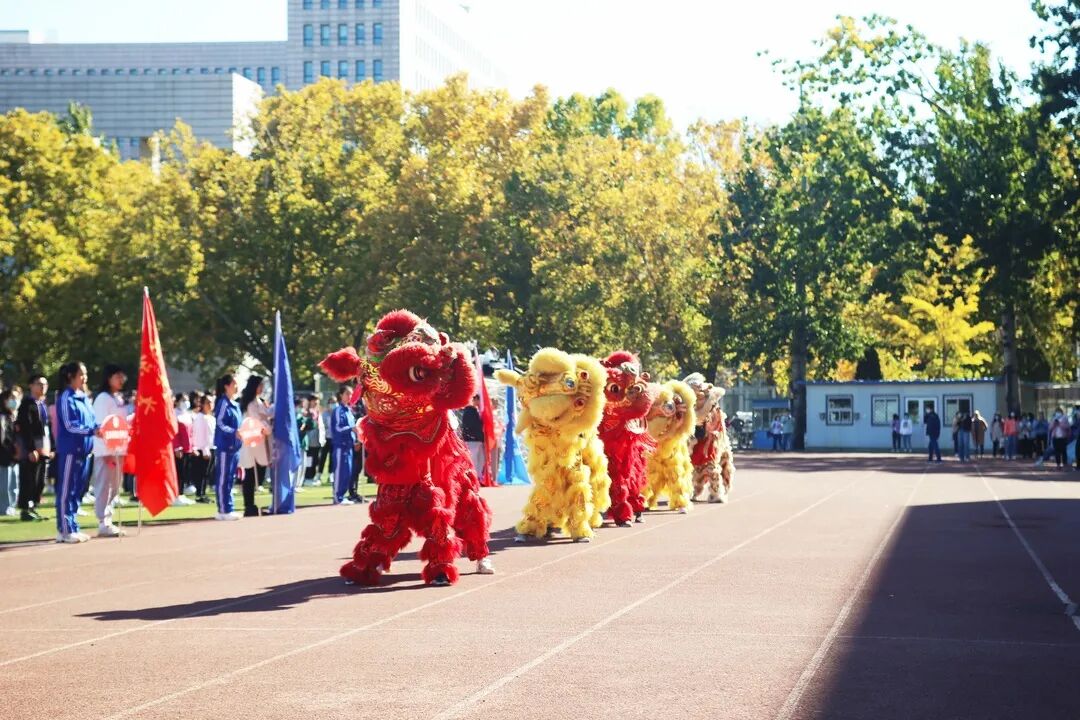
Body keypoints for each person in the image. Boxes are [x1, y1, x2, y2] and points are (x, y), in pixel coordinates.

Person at [54, 362, 103, 543]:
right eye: (81, 374)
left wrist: (99, 428)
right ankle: (64, 529)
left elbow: (92, 420)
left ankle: (73, 526)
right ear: (70, 376)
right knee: (66, 491)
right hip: (70, 451)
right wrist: (91, 431)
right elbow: (69, 426)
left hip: (85, 451)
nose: (84, 378)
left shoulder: (83, 397)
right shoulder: (66, 398)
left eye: (85, 374)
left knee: (78, 491)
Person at [90, 365, 129, 537]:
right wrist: (106, 451)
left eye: (122, 376)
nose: (121, 380)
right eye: (117, 376)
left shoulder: (118, 398)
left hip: (120, 449)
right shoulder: (102, 399)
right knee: (104, 486)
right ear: (108, 378)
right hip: (107, 451)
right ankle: (103, 522)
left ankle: (108, 520)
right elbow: (100, 427)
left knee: (115, 486)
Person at [15, 375, 52, 522]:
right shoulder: (27, 404)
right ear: (31, 385)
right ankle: (25, 509)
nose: (42, 387)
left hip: (44, 446)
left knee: (40, 480)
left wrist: (52, 448)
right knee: (29, 478)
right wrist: (31, 449)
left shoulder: (42, 404)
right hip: (32, 448)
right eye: (39, 384)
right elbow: (25, 428)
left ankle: (33, 506)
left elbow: (47, 428)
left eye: (45, 384)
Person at [238, 376, 272, 517]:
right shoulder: (251, 404)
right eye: (260, 385)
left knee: (259, 472)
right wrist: (266, 427)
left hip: (261, 442)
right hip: (252, 442)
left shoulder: (260, 402)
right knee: (251, 474)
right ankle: (249, 505)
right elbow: (257, 421)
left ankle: (252, 504)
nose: (262, 388)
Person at [213, 374, 243, 520]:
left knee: (231, 478)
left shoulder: (235, 404)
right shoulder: (223, 403)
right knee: (223, 478)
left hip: (235, 447)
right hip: (225, 446)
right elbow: (220, 423)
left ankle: (228, 508)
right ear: (227, 386)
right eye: (234, 384)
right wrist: (233, 432)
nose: (237, 386)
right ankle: (223, 510)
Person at [329, 385, 356, 505]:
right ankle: (337, 497)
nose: (350, 396)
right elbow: (337, 428)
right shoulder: (338, 410)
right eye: (347, 394)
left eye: (351, 394)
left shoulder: (349, 411)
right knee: (340, 472)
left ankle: (342, 495)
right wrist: (351, 428)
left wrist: (356, 440)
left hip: (349, 446)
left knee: (347, 472)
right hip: (340, 445)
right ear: (341, 395)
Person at [189, 393, 216, 503]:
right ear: (202, 405)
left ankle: (203, 493)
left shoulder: (211, 418)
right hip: (203, 449)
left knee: (207, 473)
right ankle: (199, 494)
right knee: (201, 473)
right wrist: (205, 450)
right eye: (208, 403)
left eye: (211, 402)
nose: (210, 405)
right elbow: (200, 435)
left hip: (211, 447)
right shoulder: (200, 418)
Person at [171, 393, 196, 505]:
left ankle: (181, 494)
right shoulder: (174, 414)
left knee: (185, 473)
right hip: (179, 449)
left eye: (186, 400)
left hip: (187, 448)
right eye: (183, 400)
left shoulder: (188, 415)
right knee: (178, 472)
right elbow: (174, 433)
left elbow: (191, 433)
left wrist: (193, 447)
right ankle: (175, 495)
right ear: (177, 402)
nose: (186, 402)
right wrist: (177, 447)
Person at [0, 386, 22, 517]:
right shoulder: (3, 417)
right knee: (4, 484)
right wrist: (14, 450)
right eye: (11, 398)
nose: (15, 400)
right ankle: (4, 507)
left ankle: (12, 506)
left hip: (14, 457)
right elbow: (4, 438)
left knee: (14, 483)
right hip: (4, 456)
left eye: (16, 397)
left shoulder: (14, 417)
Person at [303, 394, 327, 486]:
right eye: (314, 400)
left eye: (317, 400)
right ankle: (307, 477)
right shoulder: (307, 412)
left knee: (316, 460)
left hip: (317, 440)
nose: (316, 402)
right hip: (309, 440)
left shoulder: (318, 412)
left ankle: (312, 477)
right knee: (309, 459)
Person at [461, 395, 486, 478]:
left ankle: (478, 477)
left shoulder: (475, 411)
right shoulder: (469, 411)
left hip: (477, 439)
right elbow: (469, 426)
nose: (479, 402)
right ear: (474, 400)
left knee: (480, 459)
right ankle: (474, 477)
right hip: (472, 440)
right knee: (473, 459)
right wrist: (473, 436)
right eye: (478, 400)